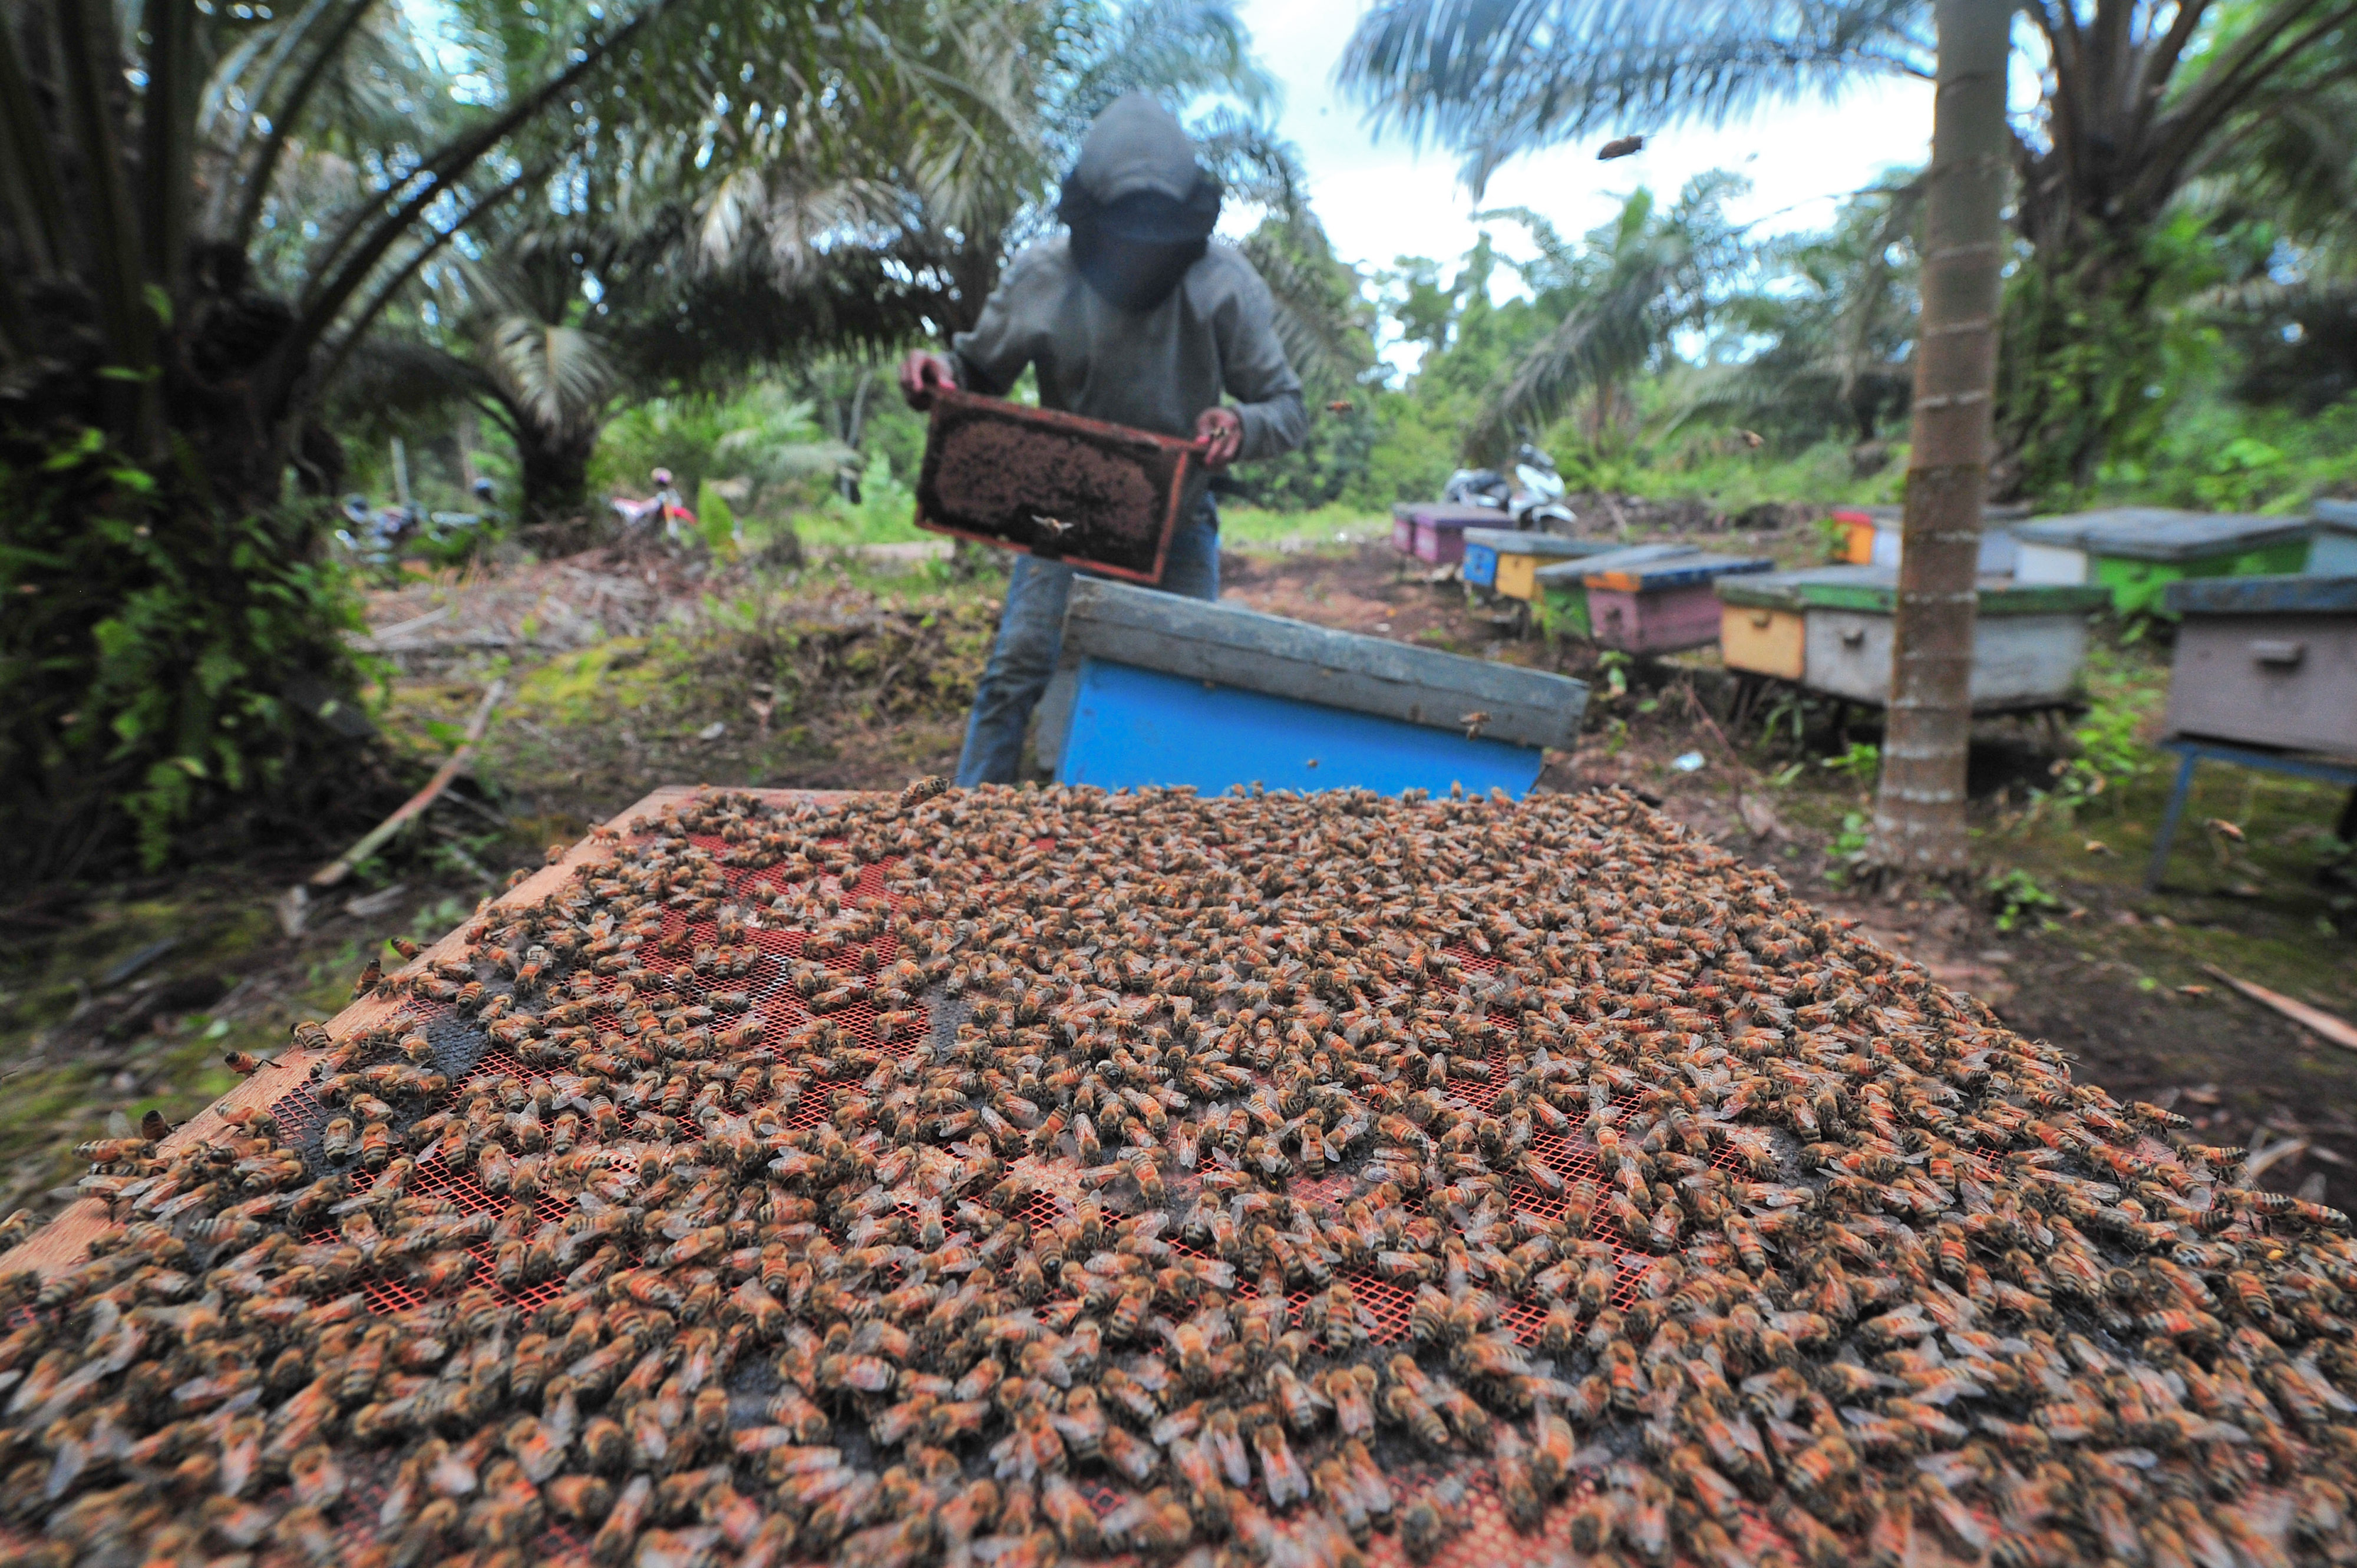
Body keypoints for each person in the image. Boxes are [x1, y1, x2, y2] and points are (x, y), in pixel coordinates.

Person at [899, 93, 1308, 786]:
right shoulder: (1042, 277)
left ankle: (1169, 856)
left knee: (1184, 687)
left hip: (1179, 520)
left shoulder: (1223, 284)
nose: (1139, 255)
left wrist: (1241, 426)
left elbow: (1287, 407)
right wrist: (939, 376)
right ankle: (959, 827)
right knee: (1016, 671)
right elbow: (974, 374)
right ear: (1087, 220)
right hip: (1060, 516)